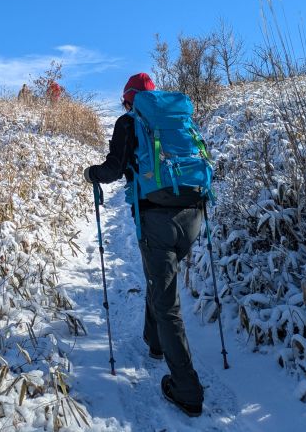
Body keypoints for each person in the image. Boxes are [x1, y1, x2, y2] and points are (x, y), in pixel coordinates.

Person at [83, 72, 205, 418]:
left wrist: (92, 174)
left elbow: (114, 168)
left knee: (167, 302)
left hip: (156, 218)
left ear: (129, 99)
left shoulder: (128, 122)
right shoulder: (178, 121)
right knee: (161, 278)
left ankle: (186, 389)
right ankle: (155, 343)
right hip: (193, 214)